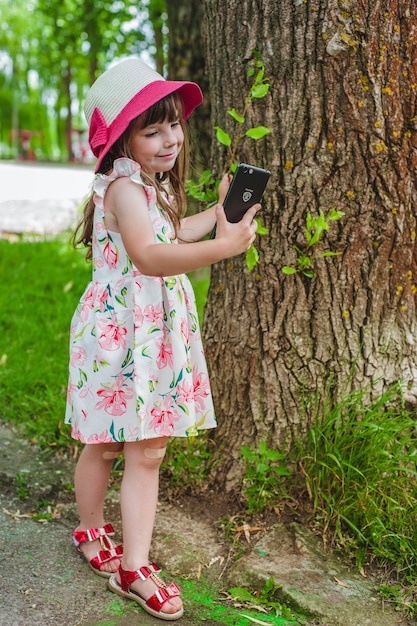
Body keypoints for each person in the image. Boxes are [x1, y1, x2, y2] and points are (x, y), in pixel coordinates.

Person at [65, 57, 261, 621]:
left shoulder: (146, 185)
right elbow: (151, 257)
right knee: (104, 442)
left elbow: (171, 233)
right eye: (152, 130)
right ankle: (90, 530)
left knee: (147, 449)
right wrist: (221, 250)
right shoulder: (123, 188)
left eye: (173, 124)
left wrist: (221, 216)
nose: (171, 138)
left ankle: (133, 562)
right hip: (120, 336)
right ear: (122, 139)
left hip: (150, 336)